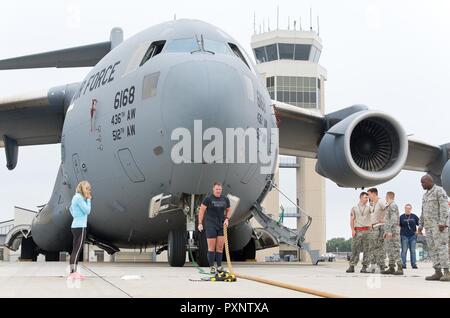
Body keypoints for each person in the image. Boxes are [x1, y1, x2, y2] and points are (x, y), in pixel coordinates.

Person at [418, 174, 449, 281]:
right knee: (432, 249)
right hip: (428, 227)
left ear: (429, 181)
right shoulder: (425, 195)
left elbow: (444, 208)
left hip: (438, 226)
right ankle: (438, 272)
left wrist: (442, 222)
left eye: (423, 182)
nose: (421, 184)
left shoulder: (439, 191)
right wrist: (420, 226)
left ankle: (447, 271)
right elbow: (423, 212)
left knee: (441, 248)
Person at [198, 182, 231, 274]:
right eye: (216, 189)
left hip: (221, 225)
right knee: (211, 248)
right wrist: (200, 223)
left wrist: (227, 219)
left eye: (219, 189)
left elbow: (228, 210)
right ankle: (212, 266)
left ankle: (219, 266)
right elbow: (201, 211)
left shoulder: (225, 199)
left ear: (221, 190)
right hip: (210, 225)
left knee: (220, 247)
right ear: (213, 189)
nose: (218, 191)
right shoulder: (208, 199)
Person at [68, 181, 92, 280]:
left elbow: (71, 209)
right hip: (80, 227)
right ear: (83, 189)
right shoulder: (79, 198)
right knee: (77, 251)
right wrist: (89, 200)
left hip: (75, 226)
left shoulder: (76, 197)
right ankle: (73, 273)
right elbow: (87, 211)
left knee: (75, 250)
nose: (89, 191)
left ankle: (74, 272)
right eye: (87, 189)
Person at [346, 192, 371, 273]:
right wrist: (352, 230)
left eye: (368, 198)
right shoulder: (354, 208)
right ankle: (352, 266)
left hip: (367, 230)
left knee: (367, 250)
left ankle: (365, 267)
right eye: (365, 197)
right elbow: (352, 220)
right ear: (360, 198)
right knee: (355, 249)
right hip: (358, 230)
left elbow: (374, 215)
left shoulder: (369, 208)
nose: (367, 199)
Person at [381, 192, 403, 275]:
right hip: (389, 232)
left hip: (393, 232)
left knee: (395, 249)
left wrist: (390, 231)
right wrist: (386, 232)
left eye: (386, 196)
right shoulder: (388, 206)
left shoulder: (393, 205)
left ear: (388, 196)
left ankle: (400, 268)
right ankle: (391, 267)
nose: (385, 198)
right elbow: (387, 220)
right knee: (390, 250)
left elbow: (393, 219)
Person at [367, 188, 387, 273]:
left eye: (369, 194)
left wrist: (385, 219)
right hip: (374, 227)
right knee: (372, 247)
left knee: (380, 247)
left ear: (374, 194)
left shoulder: (381, 201)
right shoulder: (372, 204)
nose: (368, 196)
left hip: (380, 227)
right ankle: (373, 266)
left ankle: (381, 266)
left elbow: (388, 209)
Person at [399, 204, 420, 269]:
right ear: (404, 209)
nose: (407, 209)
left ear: (411, 209)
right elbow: (398, 225)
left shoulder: (414, 216)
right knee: (404, 251)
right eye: (406, 208)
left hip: (413, 236)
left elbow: (420, 223)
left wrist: (418, 231)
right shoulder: (401, 217)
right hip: (404, 236)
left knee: (413, 251)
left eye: (409, 208)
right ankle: (403, 264)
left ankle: (414, 264)